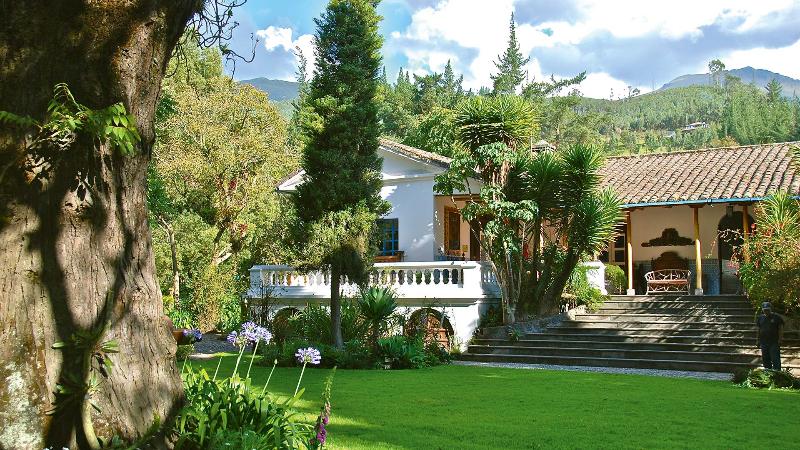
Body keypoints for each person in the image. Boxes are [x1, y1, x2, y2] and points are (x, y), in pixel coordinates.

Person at [756, 302, 784, 370]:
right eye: (765, 309)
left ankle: (777, 373)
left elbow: (780, 328)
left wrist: (780, 339)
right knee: (765, 358)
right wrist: (757, 340)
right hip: (763, 342)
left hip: (774, 342)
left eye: (767, 309)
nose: (766, 311)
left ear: (771, 309)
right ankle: (768, 372)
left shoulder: (777, 317)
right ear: (762, 309)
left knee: (775, 358)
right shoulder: (760, 318)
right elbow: (758, 329)